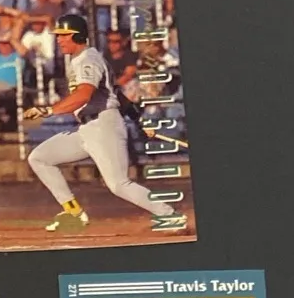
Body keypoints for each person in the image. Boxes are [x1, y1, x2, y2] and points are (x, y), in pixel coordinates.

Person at [22, 12, 186, 235]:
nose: (58, 39)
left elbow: (83, 95)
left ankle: (170, 215)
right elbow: (118, 94)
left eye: (63, 35)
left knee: (119, 184)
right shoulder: (78, 59)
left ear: (77, 35)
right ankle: (73, 212)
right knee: (39, 158)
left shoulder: (88, 59)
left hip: (103, 125)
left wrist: (49, 110)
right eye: (58, 35)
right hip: (88, 127)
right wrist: (139, 119)